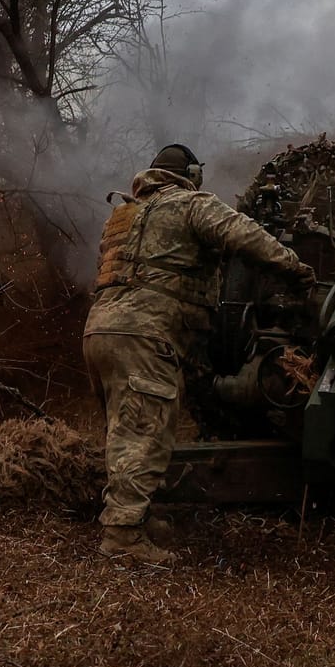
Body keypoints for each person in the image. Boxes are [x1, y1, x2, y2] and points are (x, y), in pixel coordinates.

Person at [83, 143, 315, 564]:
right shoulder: (191, 204)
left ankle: (135, 516)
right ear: (190, 174)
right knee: (144, 434)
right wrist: (294, 267)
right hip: (147, 331)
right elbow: (243, 235)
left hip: (100, 330)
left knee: (124, 430)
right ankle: (122, 538)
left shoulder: (123, 215)